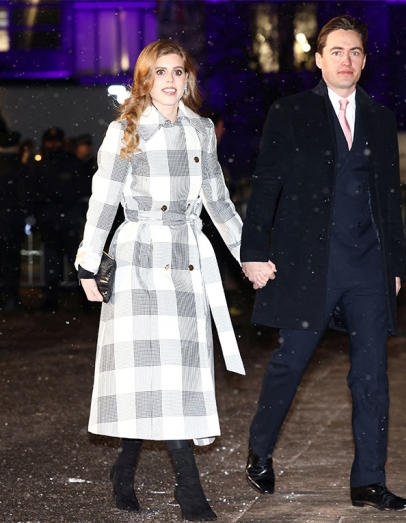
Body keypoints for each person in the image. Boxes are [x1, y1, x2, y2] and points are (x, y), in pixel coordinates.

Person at [241, 15, 406, 511]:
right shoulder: (290, 112)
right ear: (318, 59)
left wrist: (395, 264)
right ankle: (260, 449)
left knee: (371, 375)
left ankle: (369, 481)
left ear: (364, 60)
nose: (347, 60)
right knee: (290, 362)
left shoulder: (379, 118)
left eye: (355, 52)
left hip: (368, 265)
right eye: (336, 51)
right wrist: (254, 251)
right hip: (308, 263)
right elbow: (266, 183)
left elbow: (390, 198)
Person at [74, 39, 246, 521]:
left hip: (186, 257)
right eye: (159, 73)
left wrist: (249, 256)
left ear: (188, 78)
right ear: (145, 81)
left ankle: (124, 468)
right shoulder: (125, 129)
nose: (170, 81)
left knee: (175, 373)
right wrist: (89, 261)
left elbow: (220, 201)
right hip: (139, 260)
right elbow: (103, 199)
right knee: (154, 371)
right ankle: (189, 489)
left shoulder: (201, 130)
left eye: (178, 72)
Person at [31, 126, 82, 310]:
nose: (53, 145)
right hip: (51, 220)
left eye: (55, 141)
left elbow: (79, 190)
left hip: (65, 219)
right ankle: (52, 298)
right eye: (50, 141)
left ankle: (83, 298)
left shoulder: (71, 163)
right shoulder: (40, 165)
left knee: (74, 260)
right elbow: (35, 194)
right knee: (53, 262)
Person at [0, 129, 24, 311]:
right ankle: (12, 298)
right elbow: (26, 195)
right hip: (14, 221)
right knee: (12, 262)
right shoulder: (20, 168)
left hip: (6, 219)